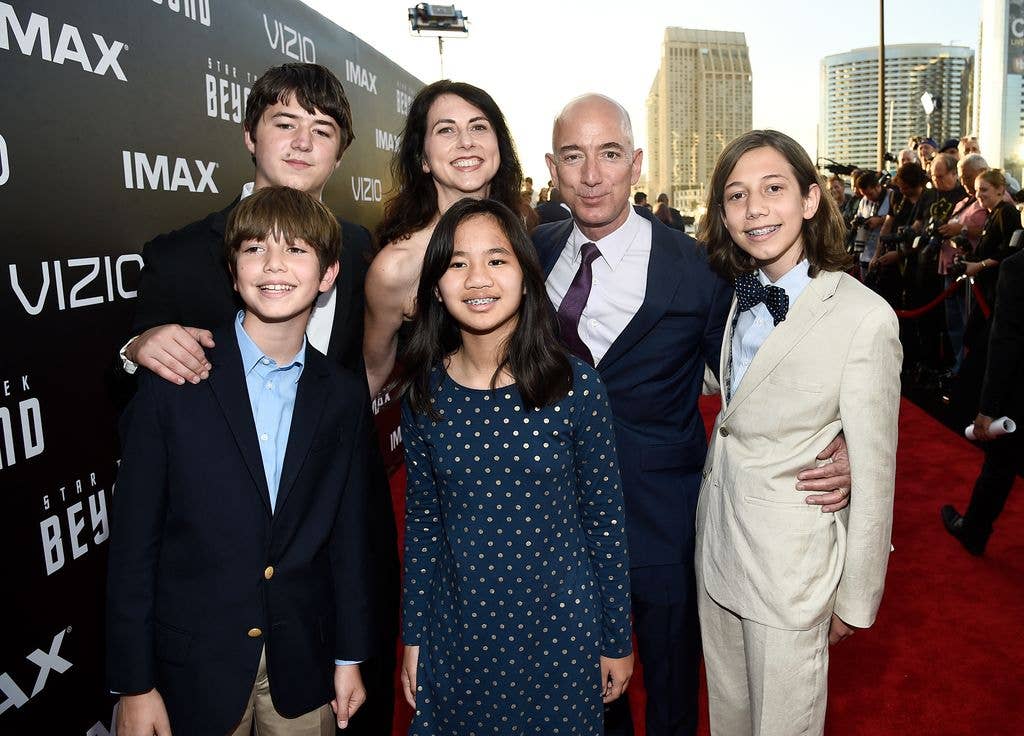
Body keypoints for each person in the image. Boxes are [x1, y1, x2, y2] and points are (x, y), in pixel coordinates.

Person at [532, 93, 853, 736]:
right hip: (553, 521)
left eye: (609, 154)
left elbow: (756, 377)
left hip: (665, 521)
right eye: (573, 156)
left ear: (636, 163)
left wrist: (837, 435)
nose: (591, 174)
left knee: (674, 691)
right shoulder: (530, 251)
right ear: (552, 167)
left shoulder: (699, 267)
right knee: (576, 691)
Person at [116, 62, 398, 736]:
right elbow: (140, 492)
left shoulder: (359, 247)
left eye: (321, 130)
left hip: (311, 601)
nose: (302, 143)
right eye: (284, 123)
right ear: (249, 135)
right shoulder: (182, 253)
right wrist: (136, 345)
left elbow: (364, 375)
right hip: (205, 620)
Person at [399, 197, 633, 734]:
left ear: (526, 277)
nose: (478, 279)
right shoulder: (424, 396)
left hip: (561, 632)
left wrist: (616, 638)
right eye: (458, 263)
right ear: (436, 286)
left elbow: (605, 523)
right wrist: (414, 637)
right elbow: (424, 524)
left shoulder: (575, 387)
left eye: (497, 260)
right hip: (459, 631)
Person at [695, 130, 901, 736]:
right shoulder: (739, 295)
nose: (755, 208)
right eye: (737, 195)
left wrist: (855, 599)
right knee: (729, 721)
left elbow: (876, 471)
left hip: (792, 573)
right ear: (723, 215)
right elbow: (738, 402)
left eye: (773, 189)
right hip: (718, 550)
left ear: (810, 200)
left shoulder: (865, 318)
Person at [364, 80, 526, 398]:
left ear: (499, 145)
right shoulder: (396, 267)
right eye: (446, 130)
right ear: (423, 159)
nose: (466, 142)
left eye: (478, 127)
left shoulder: (524, 231)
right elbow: (373, 371)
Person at [942, 247, 1024, 555]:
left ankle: (973, 532)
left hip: (1018, 393)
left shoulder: (1017, 267)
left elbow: (1005, 343)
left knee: (1000, 464)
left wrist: (987, 409)